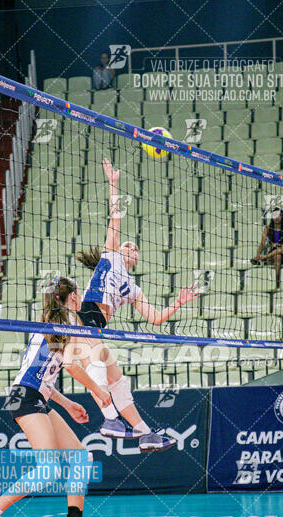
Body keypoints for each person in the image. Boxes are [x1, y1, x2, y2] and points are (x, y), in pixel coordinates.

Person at [75, 158, 200, 452]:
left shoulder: (134, 288)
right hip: (83, 319)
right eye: (127, 245)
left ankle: (145, 434)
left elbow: (155, 319)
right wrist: (113, 183)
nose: (130, 248)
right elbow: (115, 216)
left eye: (135, 248)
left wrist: (178, 304)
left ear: (137, 259)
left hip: (98, 326)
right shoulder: (110, 256)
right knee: (96, 365)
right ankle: (109, 420)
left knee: (118, 380)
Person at [0, 277, 111, 517]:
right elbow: (71, 367)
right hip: (24, 394)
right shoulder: (66, 324)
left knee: (81, 457)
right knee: (49, 470)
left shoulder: (54, 322)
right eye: (78, 294)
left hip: (32, 394)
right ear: (74, 297)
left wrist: (67, 404)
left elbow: (44, 376)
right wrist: (99, 392)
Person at [251, 207, 283, 286]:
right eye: (274, 215)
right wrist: (258, 254)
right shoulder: (267, 228)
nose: (276, 217)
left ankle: (264, 258)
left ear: (282, 216)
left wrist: (280, 245)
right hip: (274, 255)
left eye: (278, 215)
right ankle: (277, 283)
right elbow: (262, 244)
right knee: (277, 256)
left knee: (281, 250)